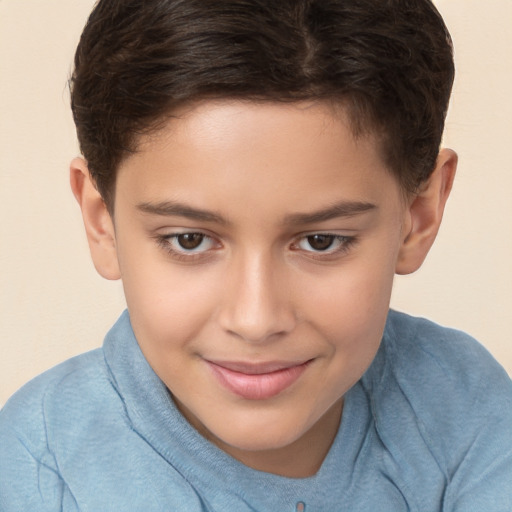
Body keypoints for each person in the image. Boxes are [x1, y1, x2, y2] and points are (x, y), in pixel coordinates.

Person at [0, 0, 510, 510]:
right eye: (189, 240)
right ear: (101, 220)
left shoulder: (466, 410)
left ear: (418, 215)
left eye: (321, 241)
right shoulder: (38, 471)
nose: (256, 320)